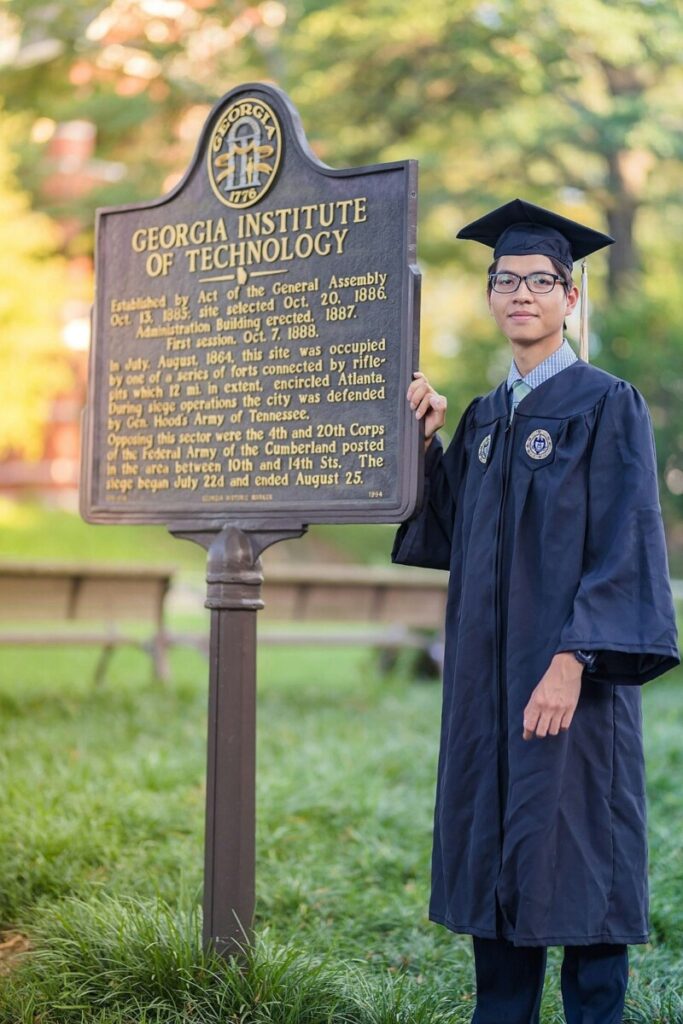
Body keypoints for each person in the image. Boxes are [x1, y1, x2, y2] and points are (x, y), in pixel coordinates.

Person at [392, 198, 680, 1024]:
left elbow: (626, 542)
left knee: (578, 855)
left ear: (568, 297)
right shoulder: (484, 419)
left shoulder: (604, 403)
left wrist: (569, 661)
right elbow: (450, 533)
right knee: (496, 861)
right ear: (490, 297)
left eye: (540, 281)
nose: (522, 293)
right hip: (486, 688)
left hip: (569, 684)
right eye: (506, 280)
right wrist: (426, 442)